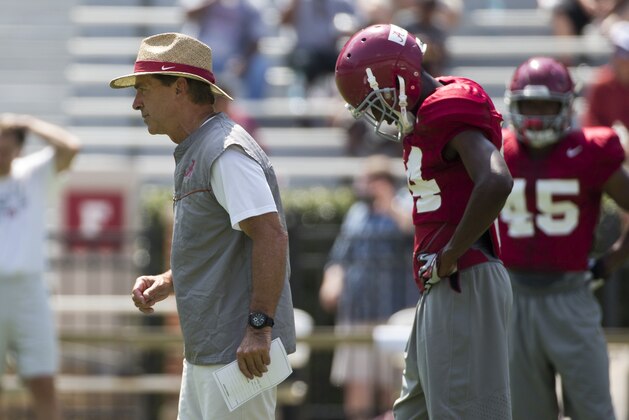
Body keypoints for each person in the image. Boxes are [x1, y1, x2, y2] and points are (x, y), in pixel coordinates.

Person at [109, 32, 296, 419]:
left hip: (239, 356)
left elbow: (271, 235)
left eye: (144, 88)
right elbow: (224, 246)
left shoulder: (224, 151)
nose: (135, 102)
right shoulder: (203, 147)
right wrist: (169, 280)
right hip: (214, 354)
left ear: (179, 87)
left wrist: (259, 328)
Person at [335, 24, 514, 419]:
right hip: (443, 283)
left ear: (400, 79)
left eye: (376, 101)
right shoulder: (425, 119)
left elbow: (497, 180)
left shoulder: (447, 107)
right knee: (413, 411)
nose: (378, 114)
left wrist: (451, 253)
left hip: (463, 277)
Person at [498, 56, 629, 420]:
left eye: (546, 105)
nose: (537, 115)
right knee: (524, 413)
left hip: (570, 295)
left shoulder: (589, 152)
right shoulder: (497, 152)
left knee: (593, 411)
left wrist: (611, 260)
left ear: (567, 107)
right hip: (513, 299)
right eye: (529, 105)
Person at [318, 154, 418, 420]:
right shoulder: (356, 213)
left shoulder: (405, 205)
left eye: (374, 179)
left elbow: (413, 232)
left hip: (394, 313)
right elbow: (340, 256)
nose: (367, 185)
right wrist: (332, 280)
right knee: (357, 387)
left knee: (394, 391)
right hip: (357, 311)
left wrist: (389, 204)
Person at [0, 114, 81, 420]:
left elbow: (71, 146)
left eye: (7, 146)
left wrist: (27, 123)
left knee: (42, 380)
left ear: (18, 148)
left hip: (29, 291)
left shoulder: (32, 173)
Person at [179, 0, 270, 99]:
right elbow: (189, 14)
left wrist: (244, 62)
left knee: (259, 66)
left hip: (233, 58)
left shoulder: (252, 5)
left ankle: (250, 111)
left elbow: (256, 39)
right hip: (202, 55)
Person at [582, 20, 629, 130]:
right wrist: (612, 137)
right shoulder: (601, 84)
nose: (624, 62)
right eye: (620, 53)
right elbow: (591, 127)